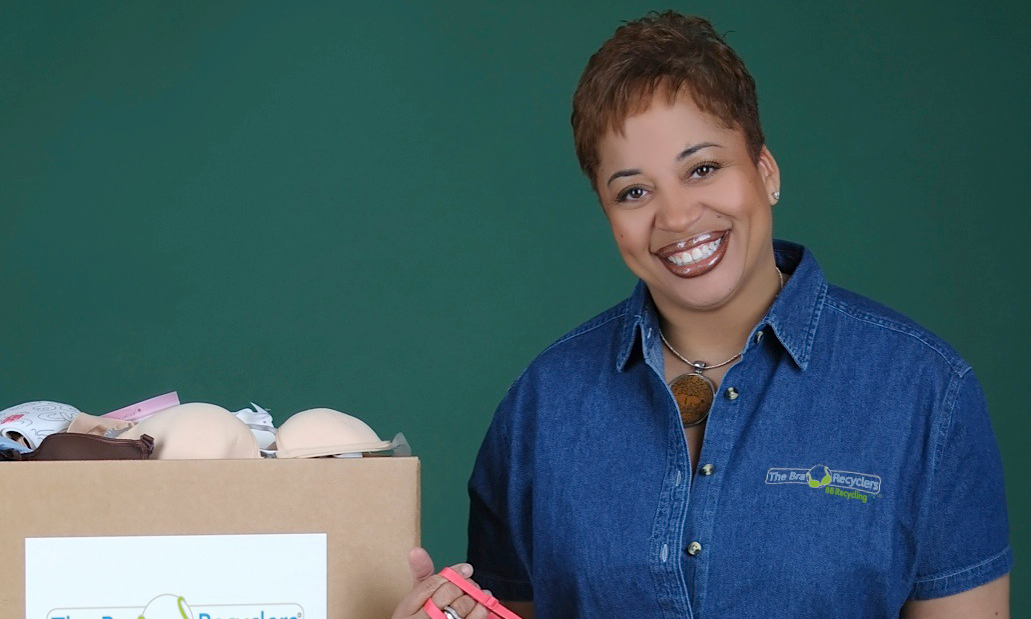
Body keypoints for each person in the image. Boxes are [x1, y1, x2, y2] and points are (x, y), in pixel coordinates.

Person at [392, 11, 1010, 619]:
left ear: (765, 171)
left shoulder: (928, 393)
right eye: (634, 191)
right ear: (607, 214)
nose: (678, 217)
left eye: (704, 168)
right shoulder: (542, 408)